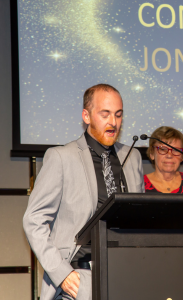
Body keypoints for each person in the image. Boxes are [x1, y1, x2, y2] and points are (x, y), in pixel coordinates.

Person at [23, 84, 145, 300]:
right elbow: (33, 220)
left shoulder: (132, 156)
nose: (113, 123)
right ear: (86, 116)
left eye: (118, 115)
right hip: (81, 278)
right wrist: (63, 274)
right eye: (105, 114)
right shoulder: (61, 157)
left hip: (128, 275)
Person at [144, 126, 183, 194]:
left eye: (176, 150)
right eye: (163, 149)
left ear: (182, 156)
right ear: (152, 154)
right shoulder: (139, 184)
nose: (169, 155)